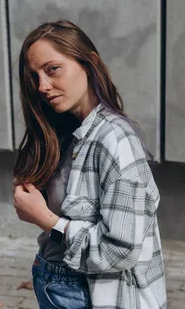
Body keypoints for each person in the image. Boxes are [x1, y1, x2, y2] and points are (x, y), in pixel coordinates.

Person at [12, 20, 166, 309]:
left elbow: (120, 249)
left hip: (87, 293)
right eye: (35, 76)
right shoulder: (68, 132)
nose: (43, 86)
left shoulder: (114, 140)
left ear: (89, 63)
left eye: (52, 69)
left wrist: (45, 218)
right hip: (57, 282)